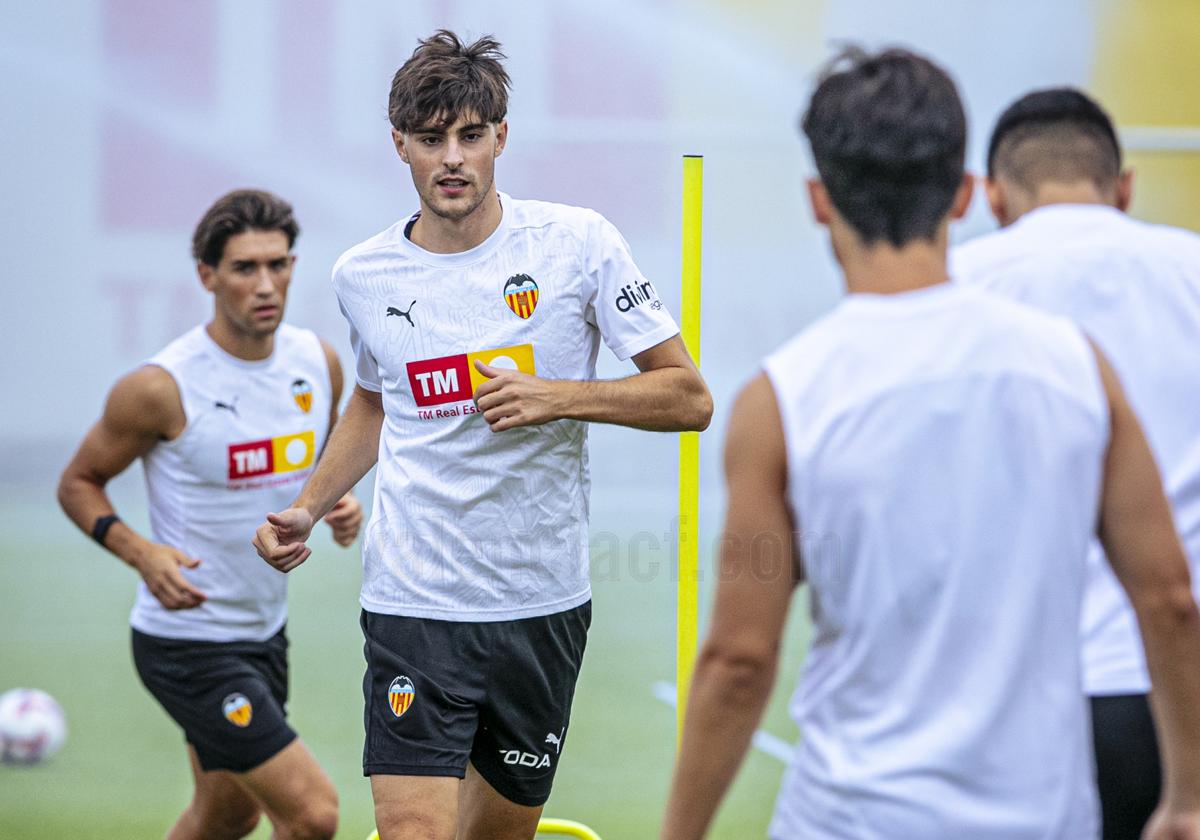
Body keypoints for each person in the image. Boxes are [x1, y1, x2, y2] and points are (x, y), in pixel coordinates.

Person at [660, 48, 1200, 840]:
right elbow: (1169, 602)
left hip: (846, 817)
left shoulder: (781, 399)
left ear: (819, 200)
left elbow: (740, 660)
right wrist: (1186, 798)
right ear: (960, 195)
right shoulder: (1077, 369)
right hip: (1038, 817)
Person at [252, 30, 711, 840]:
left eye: (470, 135)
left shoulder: (577, 244)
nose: (452, 158)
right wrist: (310, 504)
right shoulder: (363, 275)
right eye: (431, 140)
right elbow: (373, 399)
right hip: (413, 602)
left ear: (503, 135)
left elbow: (688, 398)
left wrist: (560, 396)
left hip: (541, 603)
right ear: (400, 145)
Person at [58, 189, 362, 840]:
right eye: (244, 268)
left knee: (226, 815)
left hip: (263, 633)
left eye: (278, 265)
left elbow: (316, 457)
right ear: (207, 276)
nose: (266, 284)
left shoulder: (318, 362)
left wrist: (330, 499)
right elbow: (78, 483)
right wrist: (142, 553)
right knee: (312, 814)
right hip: (187, 643)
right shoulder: (160, 387)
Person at [951, 87, 1200, 839]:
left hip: (1008, 693)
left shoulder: (957, 285)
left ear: (993, 196)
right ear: (1123, 187)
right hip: (1177, 690)